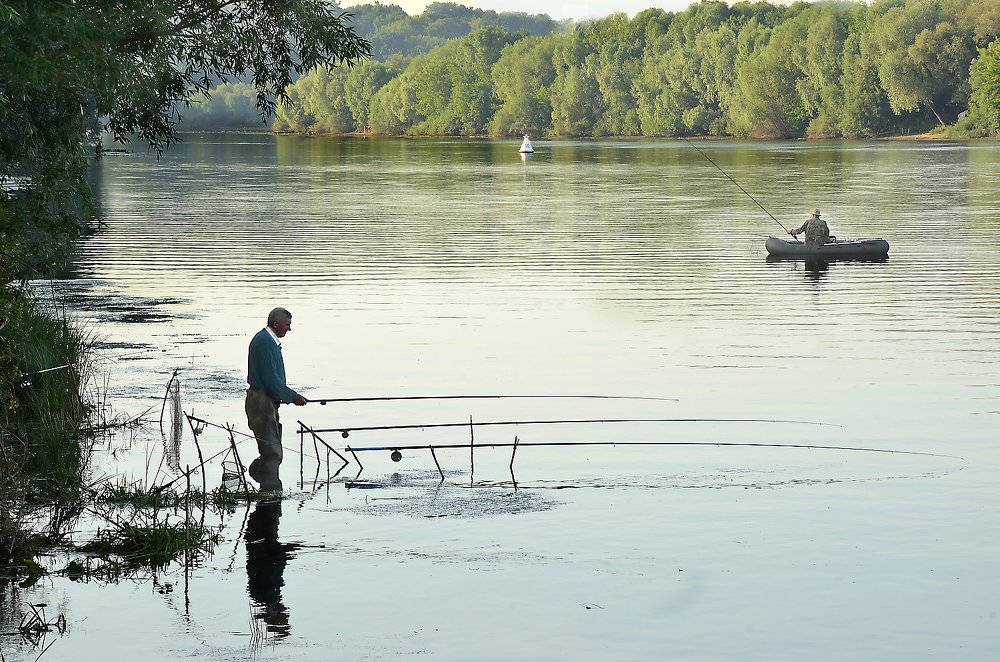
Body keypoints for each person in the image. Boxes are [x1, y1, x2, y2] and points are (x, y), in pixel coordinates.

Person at [245, 307, 307, 486]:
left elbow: (272, 379)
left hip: (265, 401)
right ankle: (269, 496)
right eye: (287, 325)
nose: (289, 329)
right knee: (273, 453)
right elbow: (270, 379)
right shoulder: (265, 343)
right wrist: (292, 396)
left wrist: (285, 396)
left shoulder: (268, 341)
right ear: (276, 324)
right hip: (260, 403)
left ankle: (262, 485)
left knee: (272, 449)